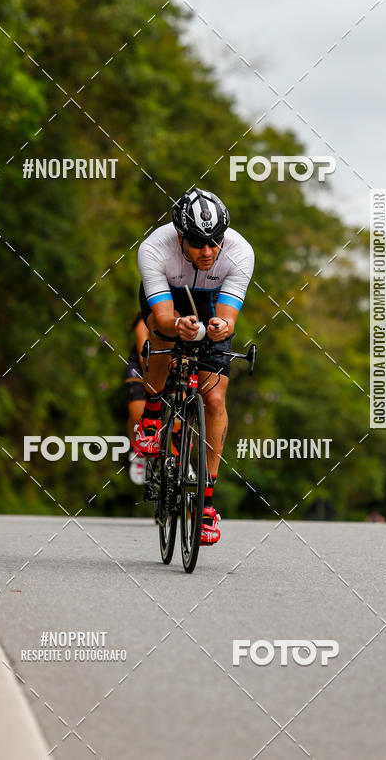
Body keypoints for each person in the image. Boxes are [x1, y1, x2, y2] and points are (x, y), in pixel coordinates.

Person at [134, 188, 255, 545]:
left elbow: (228, 319)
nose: (208, 251)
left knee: (214, 400)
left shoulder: (240, 253)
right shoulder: (154, 248)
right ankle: (153, 415)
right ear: (180, 237)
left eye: (214, 242)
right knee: (162, 339)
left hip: (211, 301)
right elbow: (163, 316)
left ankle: (205, 504)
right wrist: (177, 327)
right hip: (169, 297)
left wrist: (221, 327)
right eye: (199, 243)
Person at [124, 312, 149, 484]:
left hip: (174, 362)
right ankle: (138, 451)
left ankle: (180, 455)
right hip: (145, 363)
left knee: (186, 402)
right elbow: (143, 356)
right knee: (137, 409)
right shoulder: (144, 319)